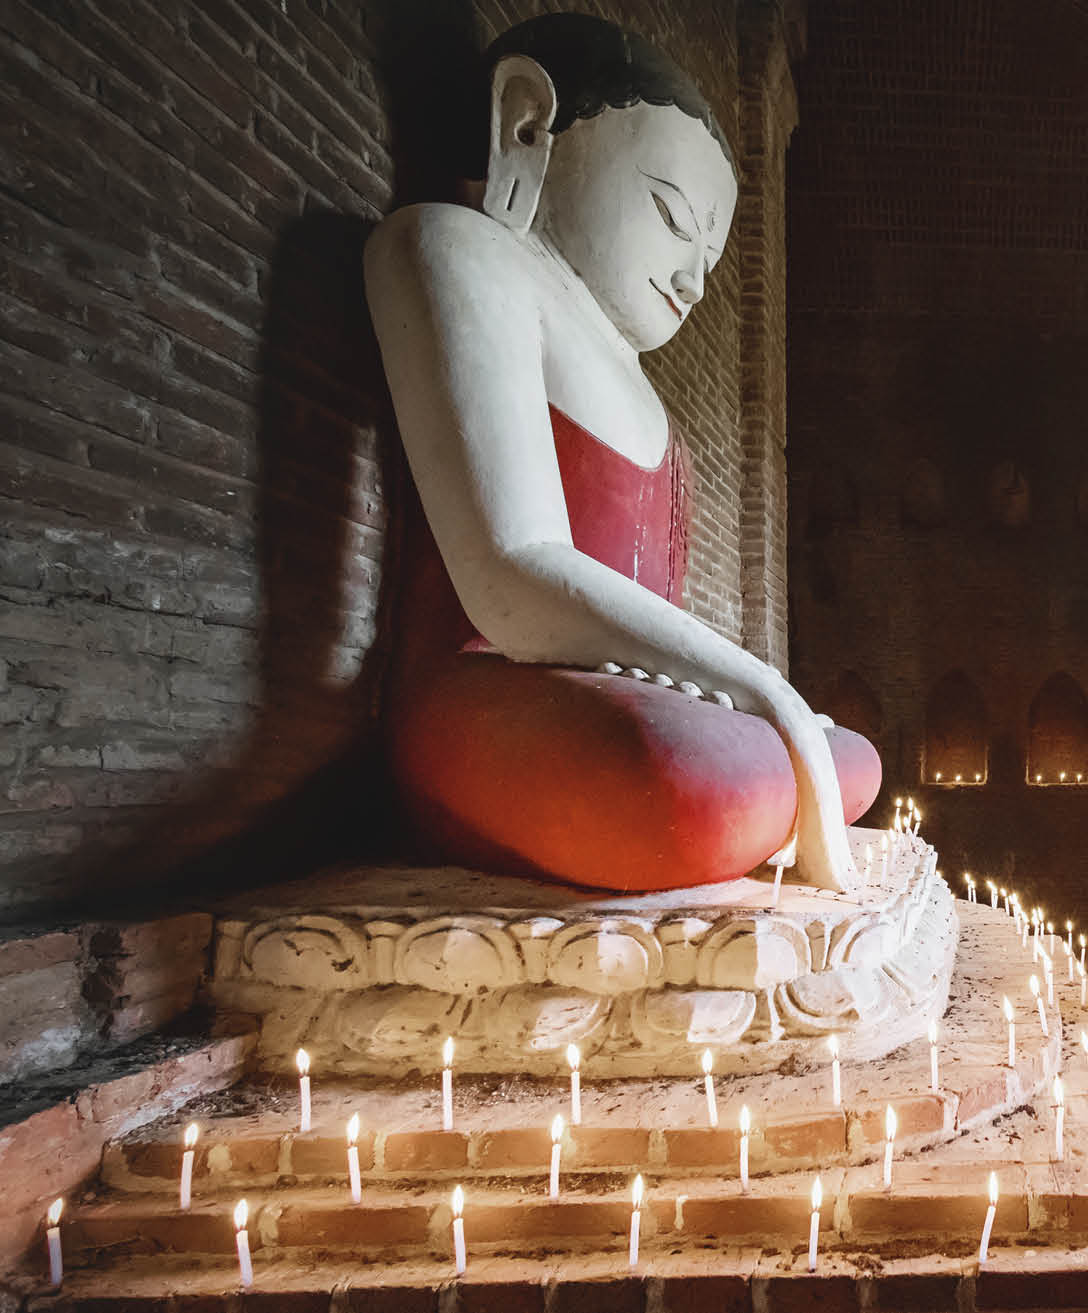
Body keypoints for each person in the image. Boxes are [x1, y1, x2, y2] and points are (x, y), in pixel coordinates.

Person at [364, 15, 878, 893]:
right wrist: (770, 697)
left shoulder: (640, 388)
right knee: (682, 779)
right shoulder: (459, 252)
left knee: (851, 757)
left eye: (712, 259)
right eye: (675, 217)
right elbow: (514, 576)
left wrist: (764, 706)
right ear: (528, 125)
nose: (692, 280)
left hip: (618, 692)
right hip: (491, 683)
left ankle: (755, 772)